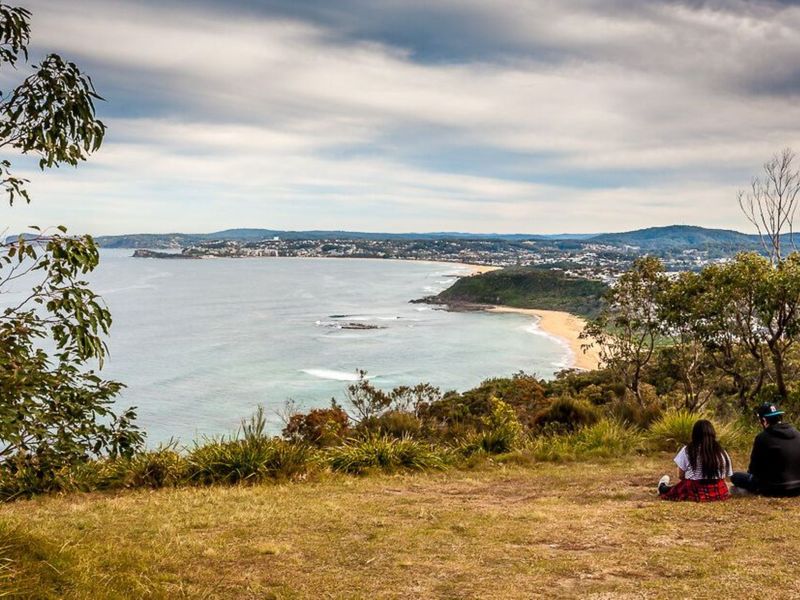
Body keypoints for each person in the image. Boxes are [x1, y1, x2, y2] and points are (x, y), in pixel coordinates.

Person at [730, 403, 800, 497]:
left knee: (735, 476)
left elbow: (753, 469)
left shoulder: (762, 438)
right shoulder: (797, 434)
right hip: (797, 487)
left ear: (764, 420)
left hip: (773, 488)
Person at [657, 419, 732, 502]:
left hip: (694, 490)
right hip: (718, 490)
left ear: (694, 434)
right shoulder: (721, 451)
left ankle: (662, 487)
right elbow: (725, 475)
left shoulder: (688, 450)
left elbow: (681, 475)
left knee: (670, 490)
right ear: (713, 433)